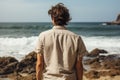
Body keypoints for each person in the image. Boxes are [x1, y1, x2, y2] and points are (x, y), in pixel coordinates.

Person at [35, 3, 88, 80]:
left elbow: (39, 64)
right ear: (67, 19)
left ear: (52, 18)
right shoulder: (76, 38)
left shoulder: (43, 36)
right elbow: (79, 66)